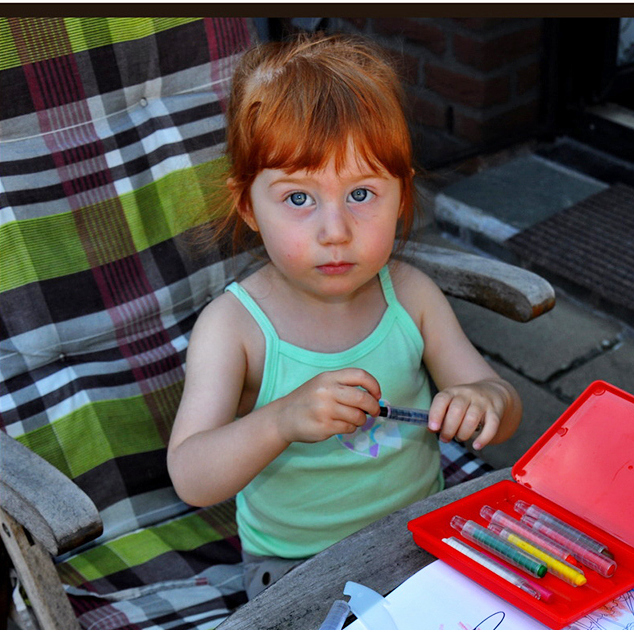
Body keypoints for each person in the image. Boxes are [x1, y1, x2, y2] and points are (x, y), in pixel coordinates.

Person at [167, 33, 523, 598]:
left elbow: (502, 408)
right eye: (299, 199)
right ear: (248, 207)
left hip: (421, 537)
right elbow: (191, 475)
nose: (335, 231)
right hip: (295, 570)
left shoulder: (412, 296)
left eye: (361, 194)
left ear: (401, 197)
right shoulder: (233, 328)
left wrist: (484, 402)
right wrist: (280, 421)